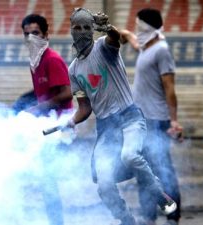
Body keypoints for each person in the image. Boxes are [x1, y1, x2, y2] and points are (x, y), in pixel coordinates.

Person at [63, 8, 177, 225]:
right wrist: (71, 121)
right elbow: (84, 108)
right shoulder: (73, 70)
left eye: (86, 27)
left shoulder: (103, 48)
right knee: (104, 184)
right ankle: (126, 220)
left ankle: (159, 195)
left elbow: (116, 39)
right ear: (71, 30)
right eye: (77, 27)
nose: (81, 32)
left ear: (92, 29)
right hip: (106, 128)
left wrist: (108, 28)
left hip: (130, 118)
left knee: (130, 156)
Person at [119, 8, 183, 225]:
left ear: (148, 27)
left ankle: (172, 217)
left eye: (139, 27)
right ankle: (149, 217)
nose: (138, 30)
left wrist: (173, 121)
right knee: (142, 171)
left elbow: (170, 88)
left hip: (157, 121)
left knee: (163, 171)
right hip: (141, 121)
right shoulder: (147, 48)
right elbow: (137, 43)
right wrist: (126, 35)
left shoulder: (162, 50)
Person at [20, 14, 73, 225]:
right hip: (47, 122)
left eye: (36, 33)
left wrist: (36, 109)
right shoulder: (36, 60)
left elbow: (67, 93)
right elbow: (43, 91)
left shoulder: (51, 59)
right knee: (45, 179)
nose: (31, 38)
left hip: (60, 126)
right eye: (27, 34)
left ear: (46, 34)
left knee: (48, 179)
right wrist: (24, 103)